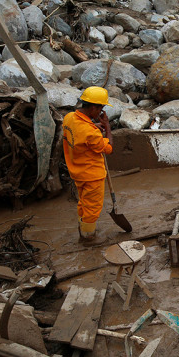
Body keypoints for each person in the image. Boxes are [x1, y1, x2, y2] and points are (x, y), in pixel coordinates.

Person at [62, 86, 113, 246]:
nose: (101, 112)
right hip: (92, 175)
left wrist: (95, 125)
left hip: (77, 171)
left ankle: (82, 228)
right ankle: (88, 237)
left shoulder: (69, 118)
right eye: (101, 109)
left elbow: (80, 134)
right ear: (93, 107)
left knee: (83, 203)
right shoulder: (90, 133)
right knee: (92, 208)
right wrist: (107, 128)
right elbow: (109, 148)